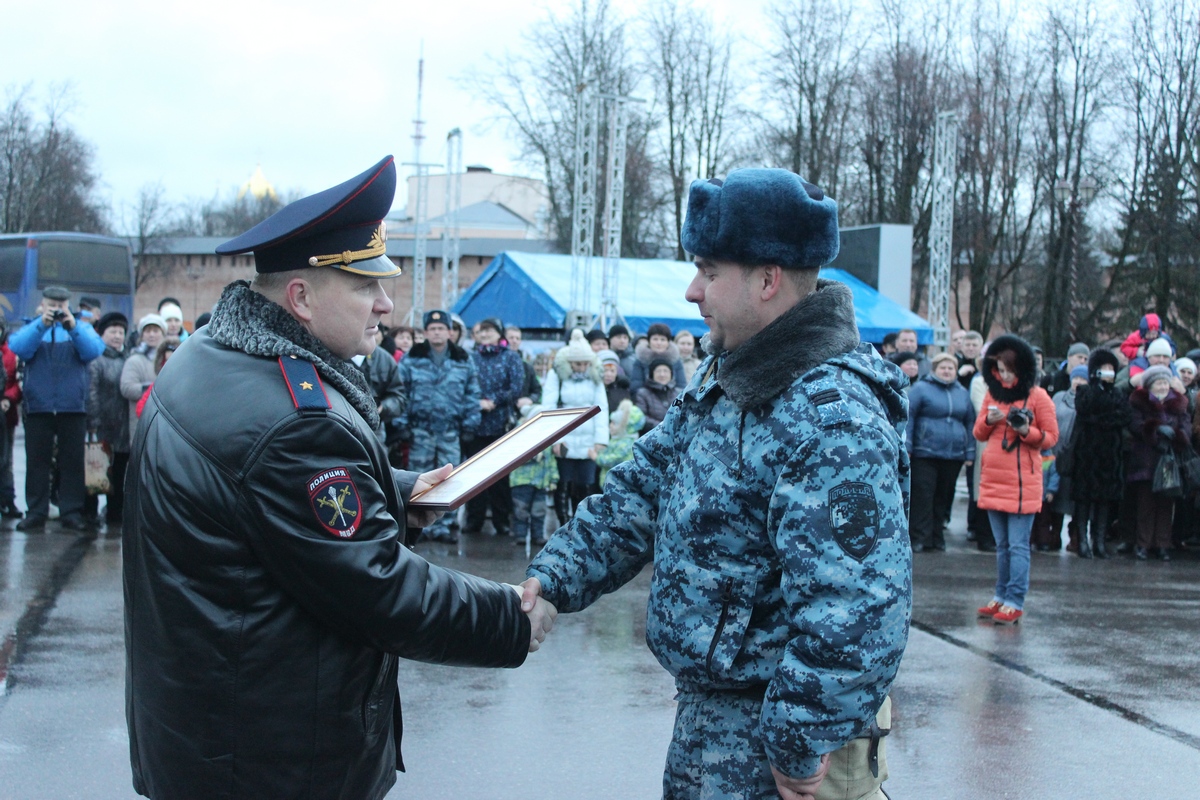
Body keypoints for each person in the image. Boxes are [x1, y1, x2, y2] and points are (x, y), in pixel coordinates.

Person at [124, 156, 555, 800]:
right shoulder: (295, 420)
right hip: (271, 761)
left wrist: (400, 493)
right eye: (364, 287)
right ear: (300, 297)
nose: (387, 304)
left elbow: (260, 495)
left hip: (210, 732)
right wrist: (511, 619)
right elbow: (379, 589)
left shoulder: (213, 354)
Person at [522, 168, 910, 799]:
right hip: (713, 725)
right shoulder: (729, 380)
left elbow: (857, 606)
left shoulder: (831, 416)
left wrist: (799, 742)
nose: (691, 291)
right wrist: (554, 577)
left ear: (766, 280)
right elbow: (642, 490)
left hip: (783, 751)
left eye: (708, 271)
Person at [973, 334, 1059, 625]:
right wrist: (989, 420)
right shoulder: (992, 394)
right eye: (999, 368)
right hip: (994, 479)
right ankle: (1000, 594)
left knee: (1018, 545)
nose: (1003, 374)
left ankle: (1015, 600)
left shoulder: (1039, 396)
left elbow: (1050, 438)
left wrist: (1025, 431)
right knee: (1002, 546)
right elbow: (978, 433)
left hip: (1023, 483)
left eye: (1008, 369)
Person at [8, 286, 105, 532]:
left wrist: (71, 327)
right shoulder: (32, 326)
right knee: (37, 462)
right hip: (38, 407)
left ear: (68, 306)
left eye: (60, 306)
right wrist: (41, 324)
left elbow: (93, 351)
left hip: (72, 407)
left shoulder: (79, 328)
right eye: (51, 305)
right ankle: (36, 511)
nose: (56, 310)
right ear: (42, 304)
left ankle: (71, 512)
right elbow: (18, 347)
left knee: (72, 463)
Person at [397, 309, 481, 543]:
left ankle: (444, 525)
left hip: (450, 430)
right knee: (419, 477)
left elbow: (472, 393)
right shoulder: (412, 357)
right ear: (425, 332)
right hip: (420, 430)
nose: (437, 333)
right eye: (432, 329)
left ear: (450, 332)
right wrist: (401, 424)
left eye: (441, 328)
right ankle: (419, 524)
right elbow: (402, 391)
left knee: (449, 478)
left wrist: (470, 424)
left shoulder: (463, 358)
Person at [906, 352, 975, 552]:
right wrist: (908, 446)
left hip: (953, 455)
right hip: (924, 453)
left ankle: (937, 538)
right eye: (943, 367)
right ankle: (920, 538)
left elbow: (970, 421)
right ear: (935, 369)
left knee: (942, 498)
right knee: (923, 496)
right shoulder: (920, 389)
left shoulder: (962, 392)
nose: (947, 371)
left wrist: (969, 451)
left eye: (950, 368)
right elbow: (909, 417)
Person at [465, 317, 526, 536]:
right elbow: (465, 385)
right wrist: (479, 402)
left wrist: (495, 400)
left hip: (501, 424)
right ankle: (474, 520)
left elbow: (517, 387)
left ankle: (502, 521)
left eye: (489, 331)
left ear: (499, 334)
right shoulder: (471, 358)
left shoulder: (510, 357)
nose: (485, 335)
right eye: (481, 331)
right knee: (473, 475)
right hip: (476, 424)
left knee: (500, 477)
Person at [541, 329, 608, 524]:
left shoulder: (595, 375)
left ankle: (581, 523)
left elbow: (602, 408)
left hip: (588, 438)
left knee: (586, 484)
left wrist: (600, 441)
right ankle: (563, 523)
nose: (582, 367)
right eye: (578, 363)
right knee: (563, 484)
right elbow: (549, 408)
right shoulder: (558, 375)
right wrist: (555, 439)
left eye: (586, 363)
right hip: (565, 437)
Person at [1068, 349, 1128, 558]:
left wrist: (1103, 417)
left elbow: (1123, 417)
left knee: (1104, 500)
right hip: (1087, 455)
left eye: (1111, 369)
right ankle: (1082, 540)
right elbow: (1086, 412)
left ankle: (1099, 541)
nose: (1108, 373)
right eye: (1104, 369)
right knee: (1084, 499)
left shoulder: (1118, 393)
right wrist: (1105, 416)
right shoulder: (1086, 391)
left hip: (1110, 455)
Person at [1126, 364, 1190, 560]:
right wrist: (1155, 430)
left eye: (1165, 383)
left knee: (1165, 505)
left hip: (1169, 461)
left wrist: (1176, 436)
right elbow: (1135, 425)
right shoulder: (1140, 403)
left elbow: (1186, 427)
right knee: (1146, 505)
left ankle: (1162, 544)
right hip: (1146, 460)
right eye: (1159, 383)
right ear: (1150, 385)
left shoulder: (1178, 404)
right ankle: (1143, 544)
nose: (1163, 387)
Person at [1033, 365, 1088, 552]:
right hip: (1054, 450)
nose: (1079, 382)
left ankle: (1075, 537)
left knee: (1072, 497)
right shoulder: (1058, 397)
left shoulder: (1088, 399)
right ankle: (1052, 535)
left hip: (1076, 455)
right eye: (1077, 378)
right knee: (1053, 496)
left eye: (1083, 379)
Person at [87, 312, 131, 527]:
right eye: (112, 331)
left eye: (121, 332)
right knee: (96, 472)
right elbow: (91, 392)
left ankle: (115, 514)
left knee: (119, 473)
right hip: (101, 426)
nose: (117, 336)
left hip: (123, 429)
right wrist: (93, 422)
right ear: (102, 334)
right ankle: (90, 514)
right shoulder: (96, 361)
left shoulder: (128, 359)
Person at [509, 400, 558, 547]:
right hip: (522, 480)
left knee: (539, 510)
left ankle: (538, 535)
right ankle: (520, 535)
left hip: (541, 481)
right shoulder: (519, 435)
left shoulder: (547, 437)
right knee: (520, 509)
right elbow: (513, 455)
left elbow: (551, 460)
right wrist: (532, 456)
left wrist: (553, 478)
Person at [120, 315, 166, 445]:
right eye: (148, 331)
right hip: (141, 421)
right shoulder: (134, 361)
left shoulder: (171, 359)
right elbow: (127, 388)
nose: (152, 334)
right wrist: (151, 389)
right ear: (142, 335)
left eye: (156, 331)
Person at [0, 314, 22, 520]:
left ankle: (7, 501)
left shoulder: (11, 353)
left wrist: (8, 398)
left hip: (6, 415)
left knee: (6, 462)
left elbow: (18, 382)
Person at [593, 399, 644, 488]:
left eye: (614, 423)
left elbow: (612, 460)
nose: (610, 425)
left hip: (617, 487)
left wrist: (596, 457)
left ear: (625, 426)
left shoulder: (626, 445)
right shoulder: (618, 440)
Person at [628, 322, 685, 393]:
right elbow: (636, 386)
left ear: (668, 342)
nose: (659, 343)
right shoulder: (641, 359)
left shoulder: (675, 360)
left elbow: (681, 385)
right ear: (649, 341)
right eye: (655, 339)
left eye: (662, 339)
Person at [136, 338, 180, 418]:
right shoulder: (156, 386)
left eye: (173, 360)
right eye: (166, 360)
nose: (169, 364)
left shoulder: (184, 387)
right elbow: (141, 409)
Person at [634, 356, 679, 433]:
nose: (662, 374)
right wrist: (663, 426)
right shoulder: (643, 393)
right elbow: (642, 417)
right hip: (651, 436)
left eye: (665, 371)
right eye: (658, 371)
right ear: (652, 374)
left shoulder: (678, 393)